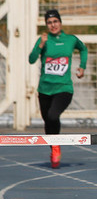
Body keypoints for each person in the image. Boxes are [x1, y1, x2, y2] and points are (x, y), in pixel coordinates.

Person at [29, 9, 87, 168]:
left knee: (53, 116)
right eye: (49, 23)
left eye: (55, 21)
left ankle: (56, 148)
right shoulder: (44, 40)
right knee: (48, 120)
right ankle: (54, 147)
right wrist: (40, 45)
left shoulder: (70, 39)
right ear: (46, 25)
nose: (53, 25)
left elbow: (83, 49)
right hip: (45, 89)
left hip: (64, 88)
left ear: (60, 23)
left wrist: (82, 67)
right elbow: (31, 59)